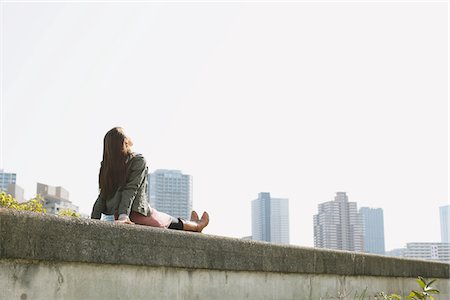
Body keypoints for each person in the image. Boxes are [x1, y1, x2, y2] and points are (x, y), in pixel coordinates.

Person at [91, 127, 209, 232]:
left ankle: (195, 224)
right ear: (124, 142)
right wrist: (123, 216)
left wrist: (93, 220)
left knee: (165, 218)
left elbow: (103, 195)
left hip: (121, 214)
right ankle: (196, 225)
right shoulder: (137, 160)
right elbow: (130, 189)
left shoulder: (107, 166)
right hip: (135, 214)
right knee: (169, 221)